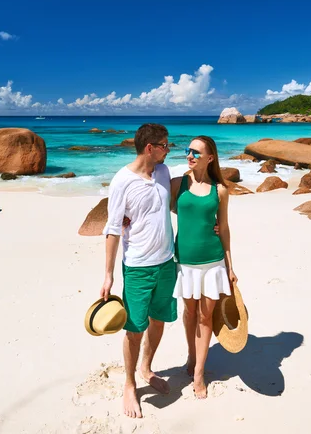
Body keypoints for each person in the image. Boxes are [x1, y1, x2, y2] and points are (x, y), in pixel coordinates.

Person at [101, 123, 176, 419]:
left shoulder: (163, 172)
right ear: (150, 148)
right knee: (134, 329)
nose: (168, 150)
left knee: (159, 321)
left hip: (167, 263)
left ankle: (146, 368)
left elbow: (172, 205)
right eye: (165, 145)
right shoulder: (122, 181)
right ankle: (130, 384)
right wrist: (108, 274)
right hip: (138, 268)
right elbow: (112, 229)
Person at [171, 135, 237, 399]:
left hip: (212, 261)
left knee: (205, 316)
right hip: (184, 261)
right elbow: (161, 208)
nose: (190, 155)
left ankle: (199, 371)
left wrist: (230, 267)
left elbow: (225, 228)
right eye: (189, 151)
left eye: (197, 153)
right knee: (189, 312)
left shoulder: (220, 190)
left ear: (210, 158)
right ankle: (191, 354)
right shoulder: (178, 183)